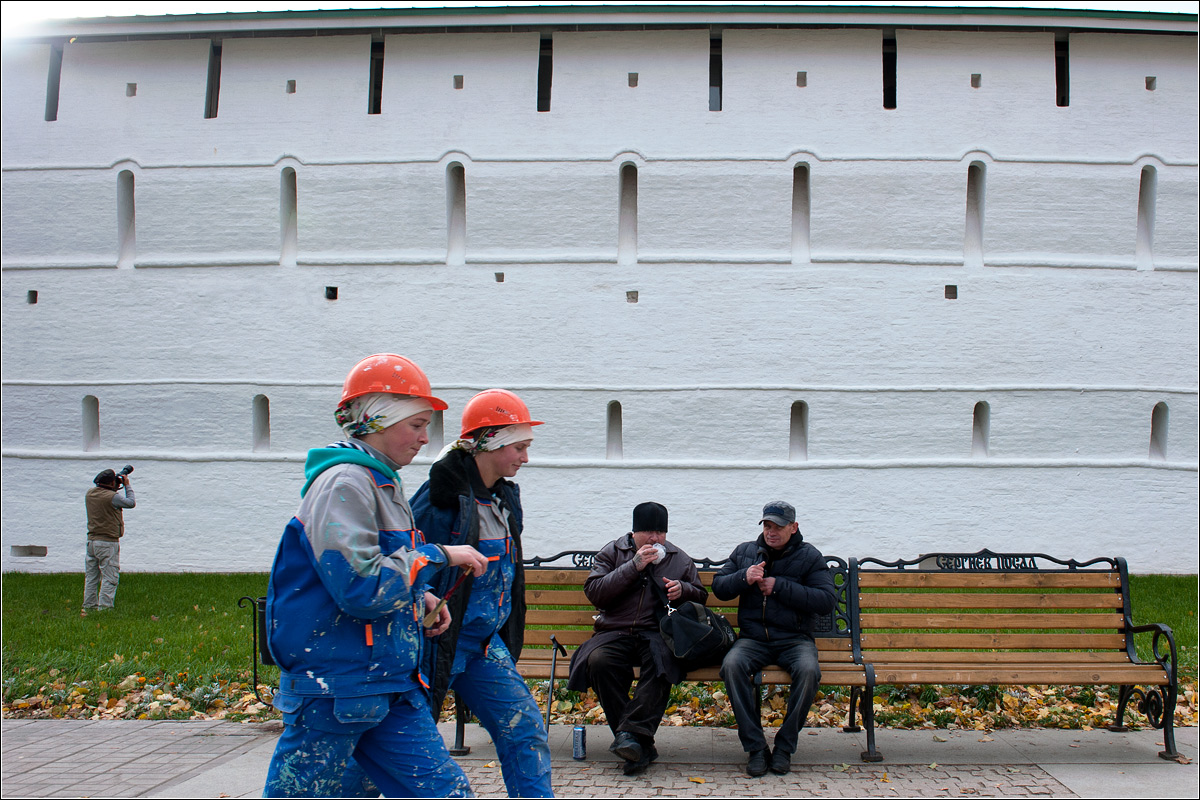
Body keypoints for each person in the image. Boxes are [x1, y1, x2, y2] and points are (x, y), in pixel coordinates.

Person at [263, 353, 489, 799]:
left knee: (447, 793)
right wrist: (437, 554)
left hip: (386, 684)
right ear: (376, 420)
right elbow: (361, 587)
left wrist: (417, 599)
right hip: (336, 690)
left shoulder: (380, 482)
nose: (426, 439)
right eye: (417, 425)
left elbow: (378, 569)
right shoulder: (345, 483)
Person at [411, 389, 553, 798]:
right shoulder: (440, 499)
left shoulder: (504, 498)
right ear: (490, 442)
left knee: (525, 730)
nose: (525, 457)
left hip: (484, 646)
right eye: (520, 447)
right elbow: (408, 558)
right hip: (437, 644)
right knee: (398, 746)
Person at [565, 502, 707, 775]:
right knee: (599, 661)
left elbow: (701, 596)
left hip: (656, 632)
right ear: (634, 532)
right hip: (613, 632)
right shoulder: (613, 552)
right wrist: (634, 566)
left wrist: (684, 589)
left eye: (660, 532)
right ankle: (639, 742)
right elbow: (595, 592)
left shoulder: (678, 558)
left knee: (662, 662)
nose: (655, 539)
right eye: (648, 532)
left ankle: (630, 739)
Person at [713, 500, 837, 778]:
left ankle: (784, 747)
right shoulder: (745, 552)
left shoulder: (809, 556)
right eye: (767, 525)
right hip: (753, 639)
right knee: (731, 666)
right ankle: (756, 748)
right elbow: (719, 587)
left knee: (808, 671)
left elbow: (826, 600)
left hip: (795, 640)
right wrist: (743, 577)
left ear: (793, 528)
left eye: (779, 527)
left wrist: (780, 587)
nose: (772, 532)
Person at [81, 468, 135, 615]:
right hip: (107, 543)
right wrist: (127, 485)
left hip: (91, 541)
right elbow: (130, 503)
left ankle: (89, 607)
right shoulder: (112, 497)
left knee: (91, 577)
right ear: (111, 482)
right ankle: (105, 609)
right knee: (110, 576)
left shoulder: (90, 494)